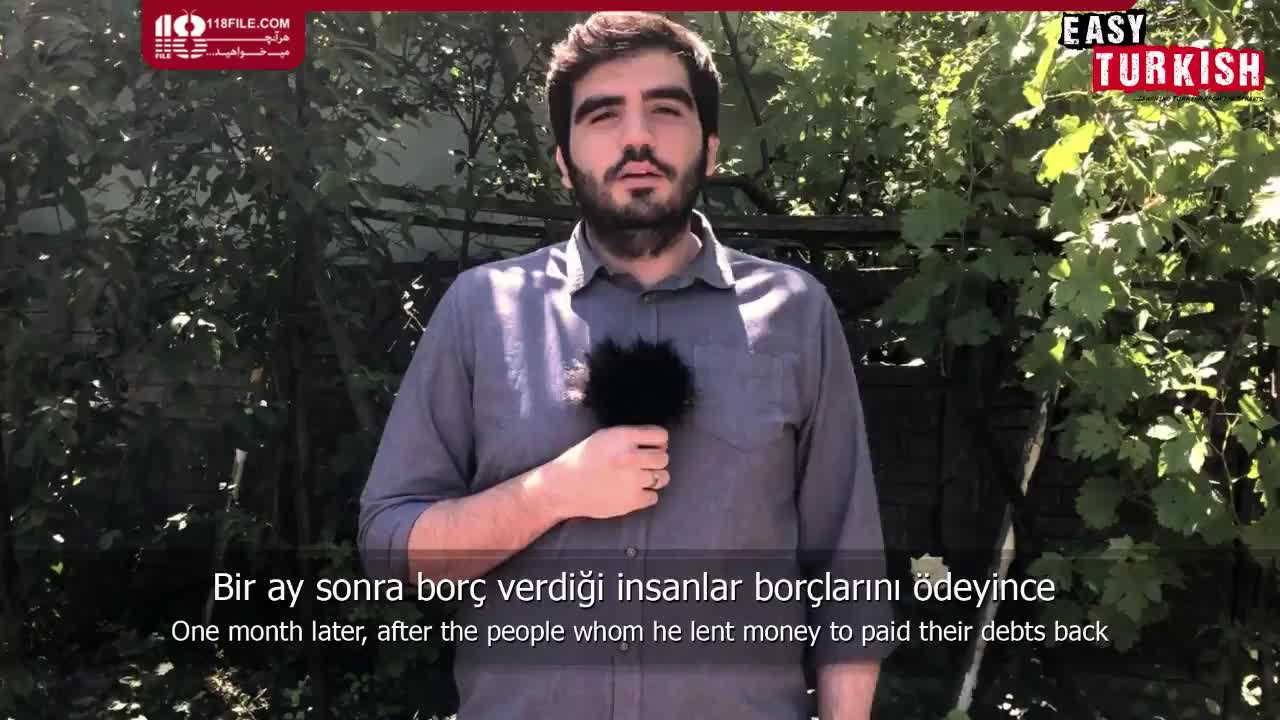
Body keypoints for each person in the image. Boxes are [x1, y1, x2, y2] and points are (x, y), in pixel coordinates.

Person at [359, 11, 897, 719]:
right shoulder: (481, 310)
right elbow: (392, 549)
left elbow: (848, 577)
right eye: (603, 114)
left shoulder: (797, 313)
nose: (636, 137)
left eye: (665, 110)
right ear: (563, 159)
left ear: (710, 149)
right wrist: (551, 492)